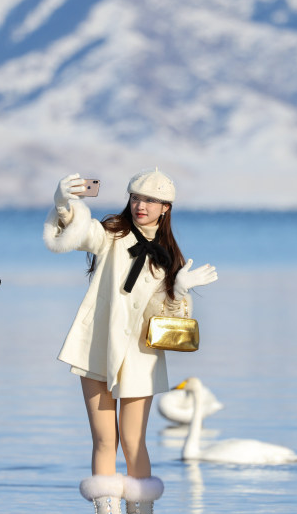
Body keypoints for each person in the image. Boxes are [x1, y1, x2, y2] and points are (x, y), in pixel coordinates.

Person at [44, 169, 217, 514]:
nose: (141, 205)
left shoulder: (170, 256)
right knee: (104, 439)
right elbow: (78, 234)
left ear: (166, 208)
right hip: (96, 347)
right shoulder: (111, 233)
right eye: (136, 197)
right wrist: (64, 204)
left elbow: (165, 321)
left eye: (151, 200)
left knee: (134, 442)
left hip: (141, 356)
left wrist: (179, 291)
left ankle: (141, 511)